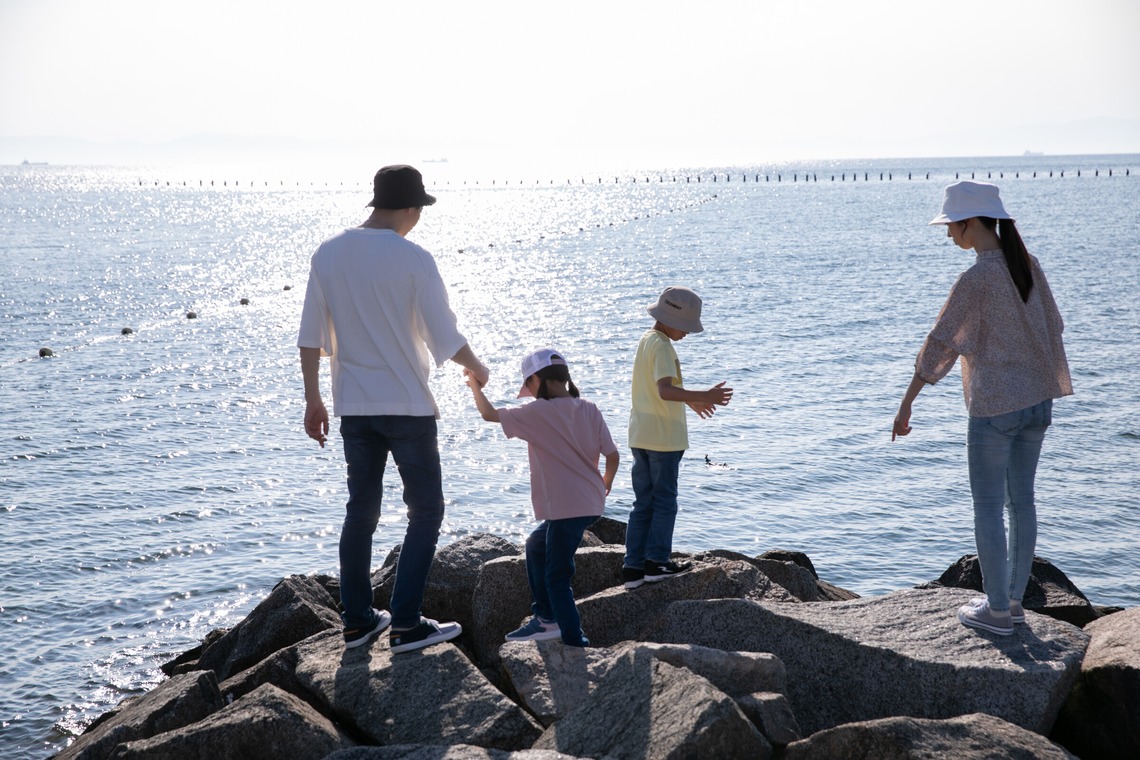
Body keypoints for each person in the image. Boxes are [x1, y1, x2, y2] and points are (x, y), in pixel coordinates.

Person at [298, 164, 490, 652]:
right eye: (420, 210)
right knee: (425, 511)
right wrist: (478, 367)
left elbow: (310, 337)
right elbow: (442, 335)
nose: (419, 218)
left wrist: (313, 399)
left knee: (360, 512)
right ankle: (405, 623)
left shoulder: (328, 253)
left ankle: (359, 620)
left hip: (353, 408)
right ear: (410, 208)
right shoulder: (414, 258)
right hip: (407, 406)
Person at [892, 181, 1072, 636]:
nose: (948, 234)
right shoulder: (1027, 266)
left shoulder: (977, 279)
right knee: (1023, 502)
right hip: (1038, 403)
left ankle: (996, 612)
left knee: (988, 507)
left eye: (951, 226)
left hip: (995, 408)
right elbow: (1056, 325)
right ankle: (1012, 603)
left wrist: (906, 403)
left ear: (969, 224)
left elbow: (942, 344)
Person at [467, 349, 619, 647]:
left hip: (565, 508)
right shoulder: (589, 408)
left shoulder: (538, 412)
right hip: (590, 502)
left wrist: (474, 384)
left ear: (537, 380)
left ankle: (573, 637)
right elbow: (612, 456)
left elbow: (488, 414)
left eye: (529, 385)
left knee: (558, 575)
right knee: (536, 545)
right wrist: (605, 483)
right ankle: (545, 617)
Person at [622, 286, 734, 589]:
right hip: (663, 439)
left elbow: (656, 391)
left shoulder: (647, 341)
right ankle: (657, 561)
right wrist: (705, 394)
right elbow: (664, 390)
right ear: (670, 320)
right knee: (665, 501)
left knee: (642, 502)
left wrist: (691, 401)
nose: (686, 334)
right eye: (684, 327)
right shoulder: (662, 347)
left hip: (641, 434)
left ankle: (633, 567)